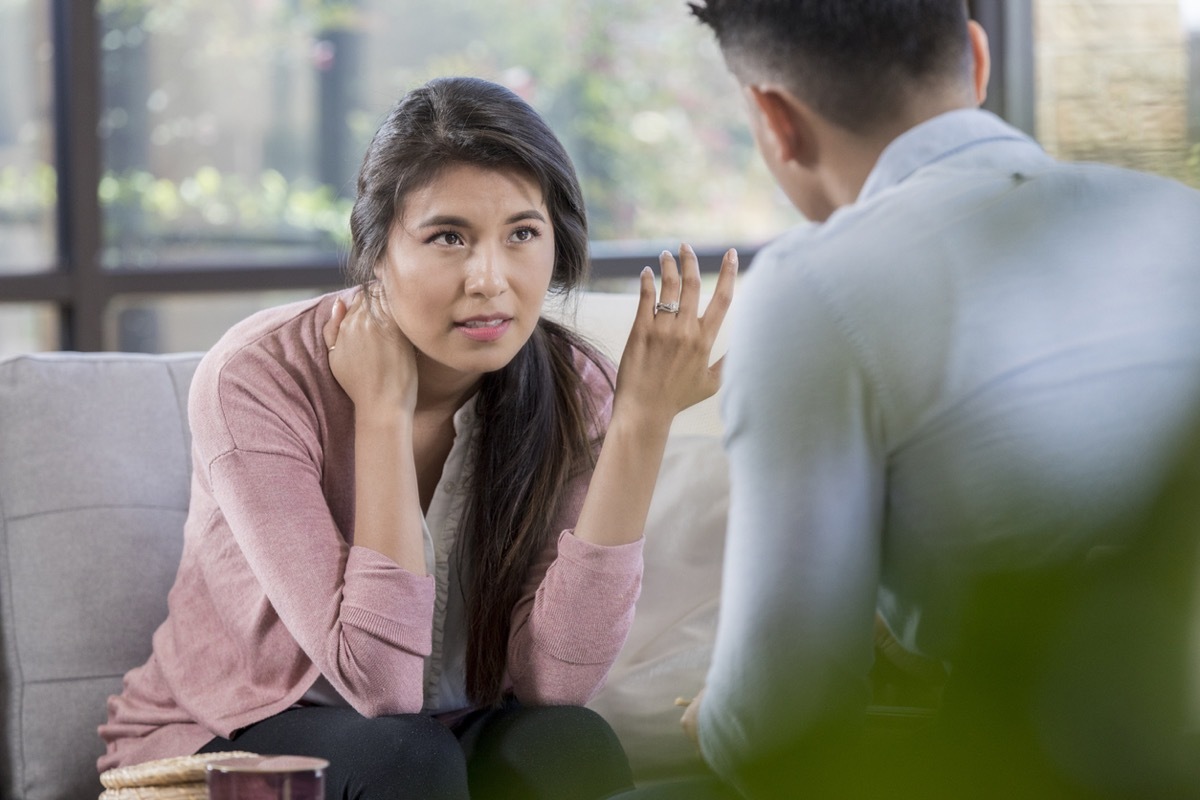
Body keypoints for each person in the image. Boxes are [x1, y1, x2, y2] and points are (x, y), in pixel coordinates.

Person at [617, 2, 1200, 798]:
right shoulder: (1178, 213)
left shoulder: (813, 289)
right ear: (978, 56)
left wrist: (720, 717)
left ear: (775, 119)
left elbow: (778, 731)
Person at [98, 75, 737, 799]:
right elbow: (381, 688)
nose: (490, 279)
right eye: (448, 238)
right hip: (240, 734)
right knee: (405, 757)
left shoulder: (574, 385)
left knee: (571, 744)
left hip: (444, 725)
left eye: (522, 234)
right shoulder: (257, 378)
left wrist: (640, 424)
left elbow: (556, 681)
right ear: (376, 252)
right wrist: (381, 413)